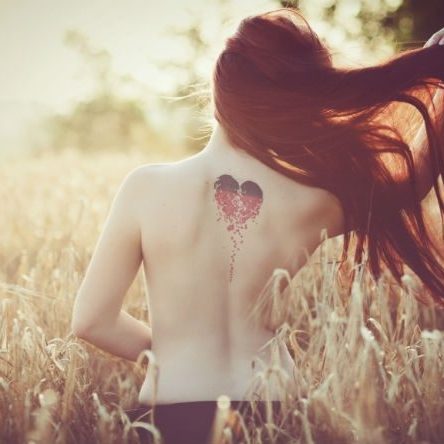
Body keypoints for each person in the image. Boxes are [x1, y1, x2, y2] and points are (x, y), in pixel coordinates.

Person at [70, 7, 444, 444]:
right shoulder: (312, 198)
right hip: (276, 411)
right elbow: (410, 178)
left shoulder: (145, 188)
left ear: (219, 90)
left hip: (168, 413)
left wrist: (175, 354)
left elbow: (91, 321)